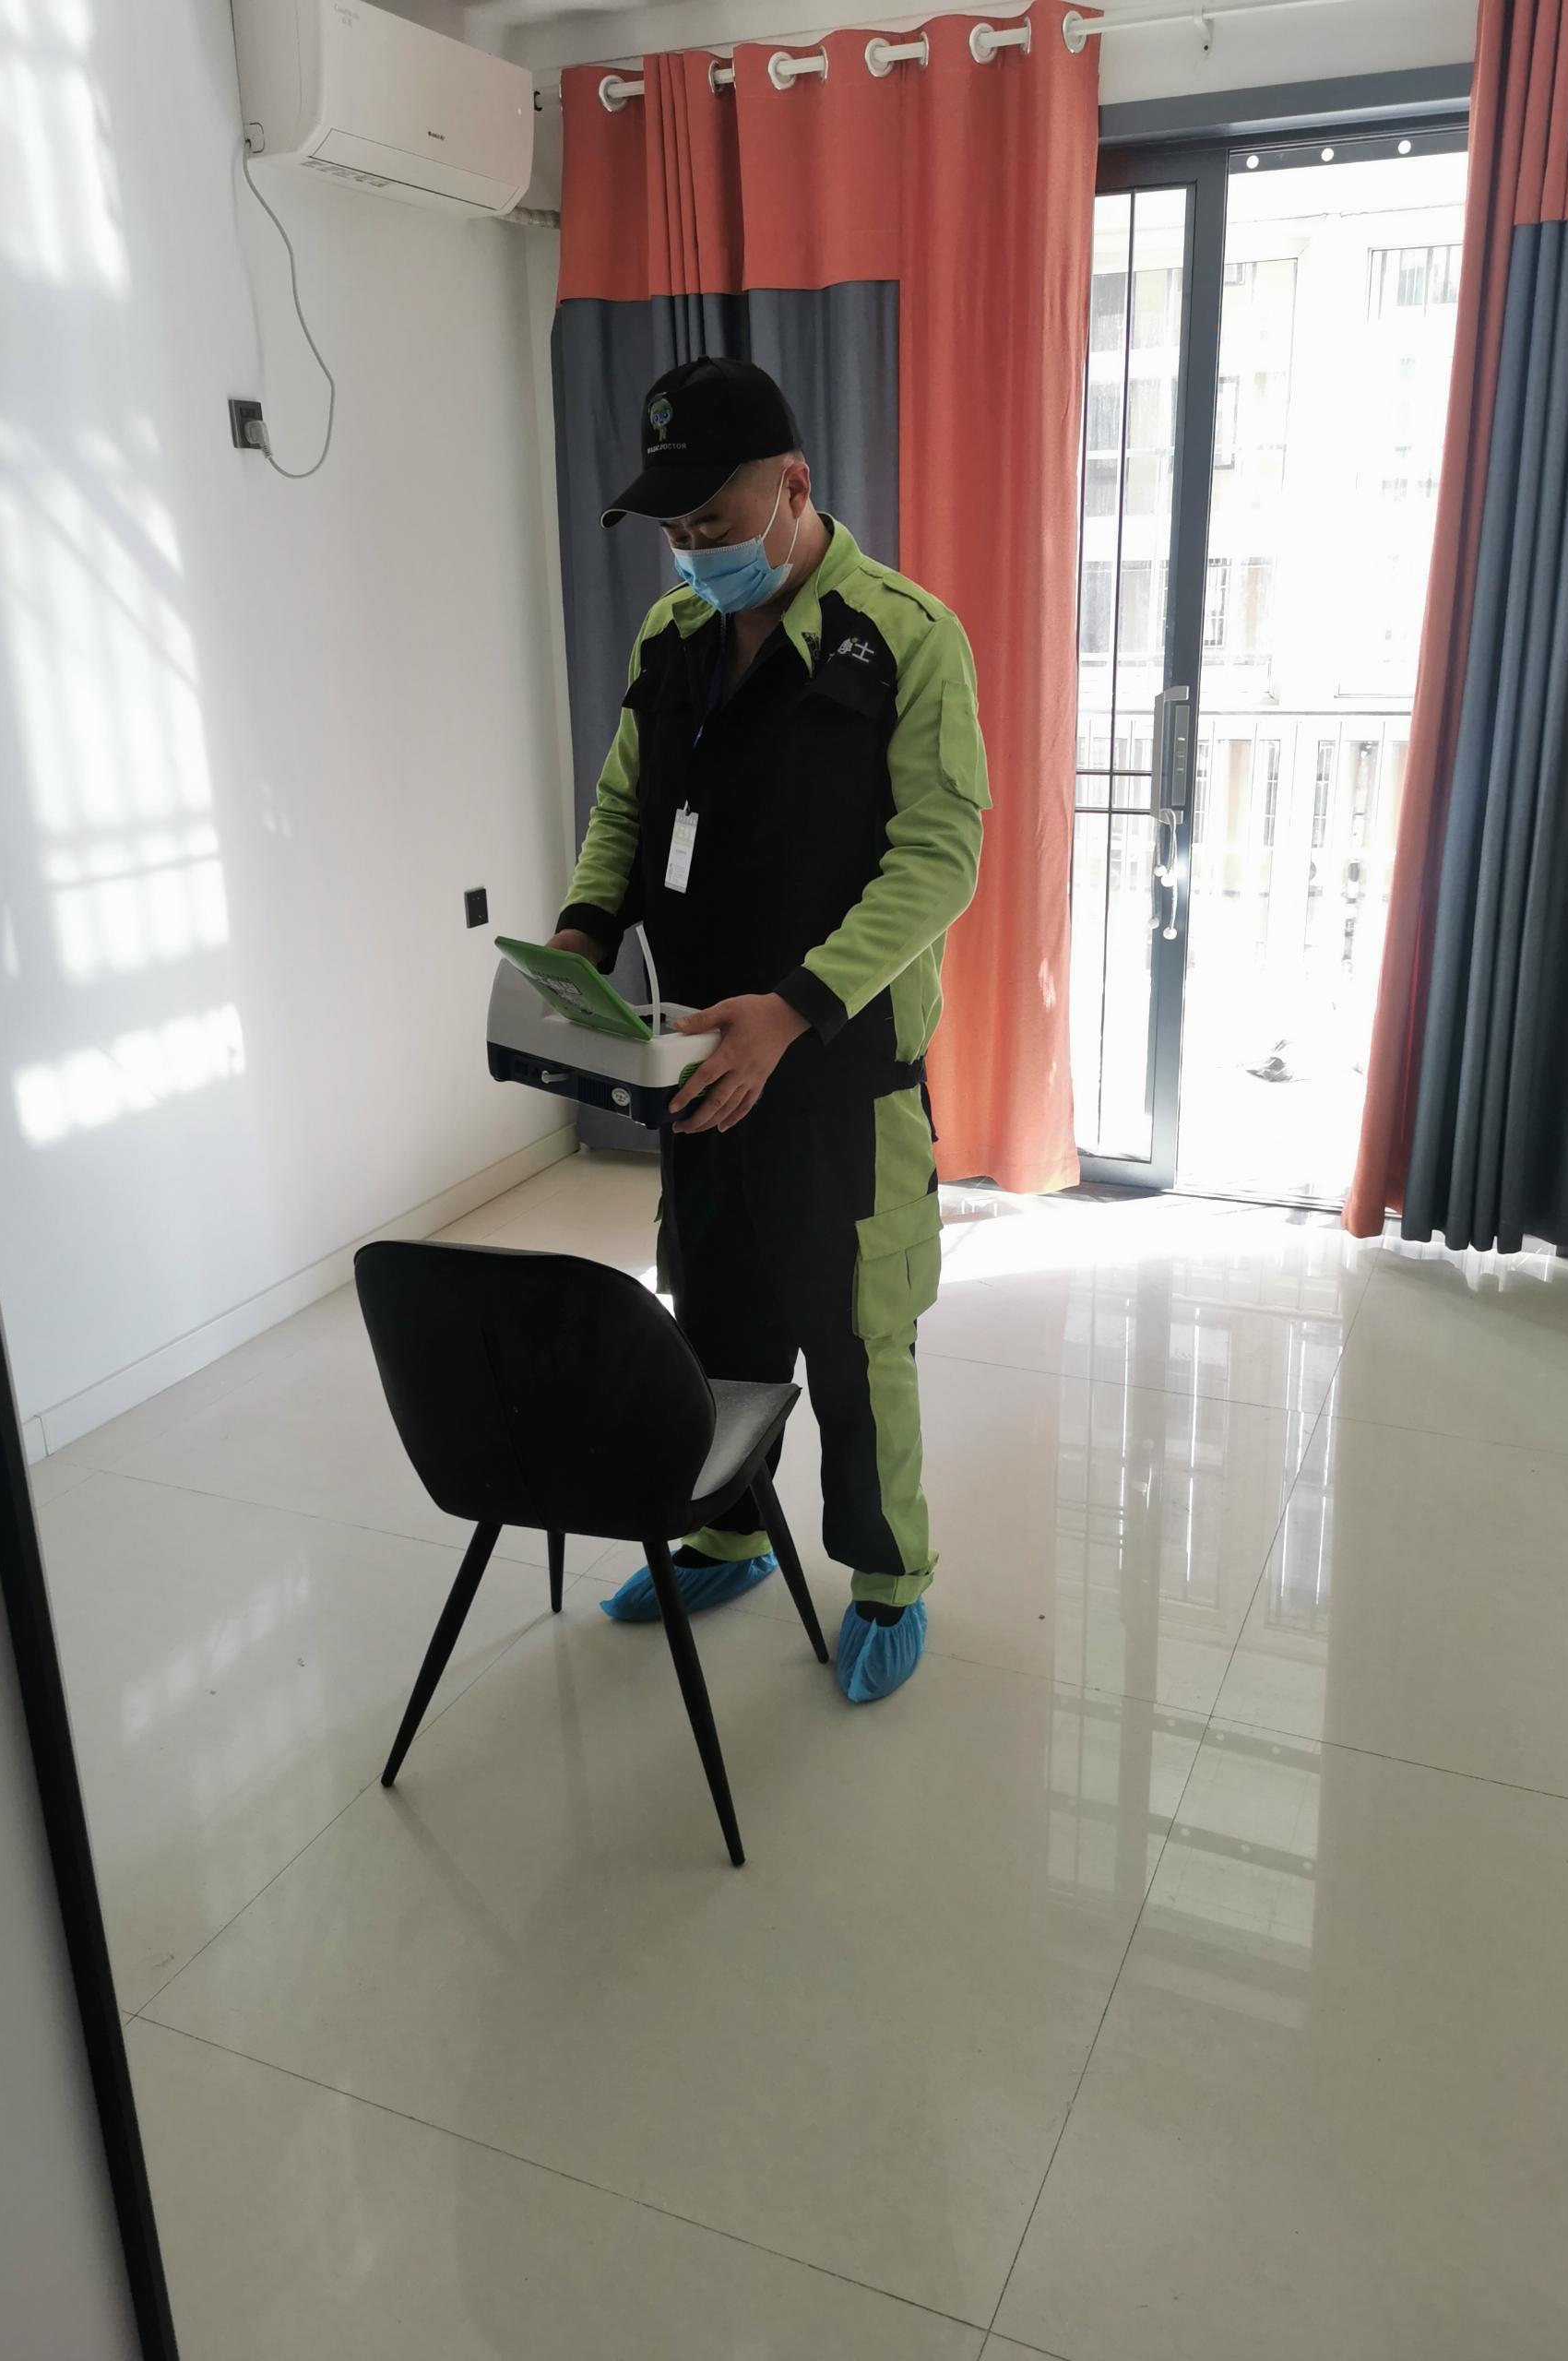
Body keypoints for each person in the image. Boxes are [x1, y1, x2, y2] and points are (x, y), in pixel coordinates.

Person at [551, 356, 989, 1703]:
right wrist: (580, 931)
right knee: (716, 1315)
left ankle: (889, 1575)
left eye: (717, 521)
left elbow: (939, 858)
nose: (696, 552)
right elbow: (628, 808)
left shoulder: (904, 637)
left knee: (857, 1340)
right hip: (697, 1059)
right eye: (676, 532)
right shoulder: (671, 639)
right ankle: (730, 1530)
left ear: (794, 486)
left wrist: (793, 1009)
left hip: (837, 1069)